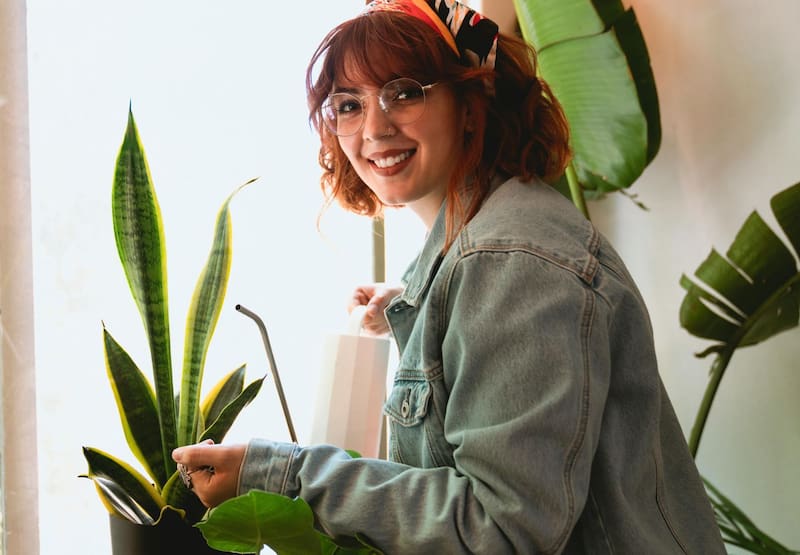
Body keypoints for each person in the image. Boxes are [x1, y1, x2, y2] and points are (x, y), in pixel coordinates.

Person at [172, 1, 726, 552]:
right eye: (349, 104)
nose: (375, 128)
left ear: (469, 105)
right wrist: (426, 311)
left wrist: (281, 475)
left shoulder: (509, 262)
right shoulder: (482, 247)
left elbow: (501, 533)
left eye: (404, 93)